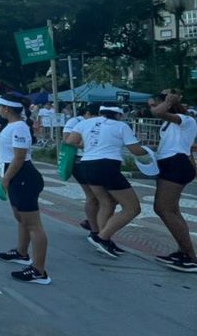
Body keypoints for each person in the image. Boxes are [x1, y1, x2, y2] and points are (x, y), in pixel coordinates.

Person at [66, 104, 148, 259]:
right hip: (107, 165)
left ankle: (102, 237)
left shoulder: (85, 123)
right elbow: (136, 150)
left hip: (87, 164)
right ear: (118, 115)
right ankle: (102, 238)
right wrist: (152, 154)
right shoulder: (121, 126)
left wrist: (87, 145)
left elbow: (70, 140)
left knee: (107, 202)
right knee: (132, 208)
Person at [0, 95, 51, 284]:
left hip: (23, 177)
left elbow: (19, 157)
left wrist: (6, 179)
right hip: (16, 176)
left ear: (7, 109)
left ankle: (39, 271)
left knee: (33, 225)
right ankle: (21, 252)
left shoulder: (19, 127)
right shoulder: (13, 126)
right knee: (21, 218)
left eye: (0, 107)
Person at [149, 91, 197, 272]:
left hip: (176, 164)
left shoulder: (186, 120)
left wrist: (168, 101)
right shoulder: (168, 123)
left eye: (154, 104)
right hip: (169, 164)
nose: (152, 109)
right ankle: (183, 251)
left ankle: (190, 256)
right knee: (171, 210)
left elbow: (158, 112)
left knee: (163, 208)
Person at [64, 104, 101, 234]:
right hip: (80, 161)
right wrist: (84, 144)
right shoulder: (75, 121)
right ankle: (94, 227)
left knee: (101, 196)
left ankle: (93, 222)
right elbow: (67, 139)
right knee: (92, 195)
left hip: (95, 160)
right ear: (88, 113)